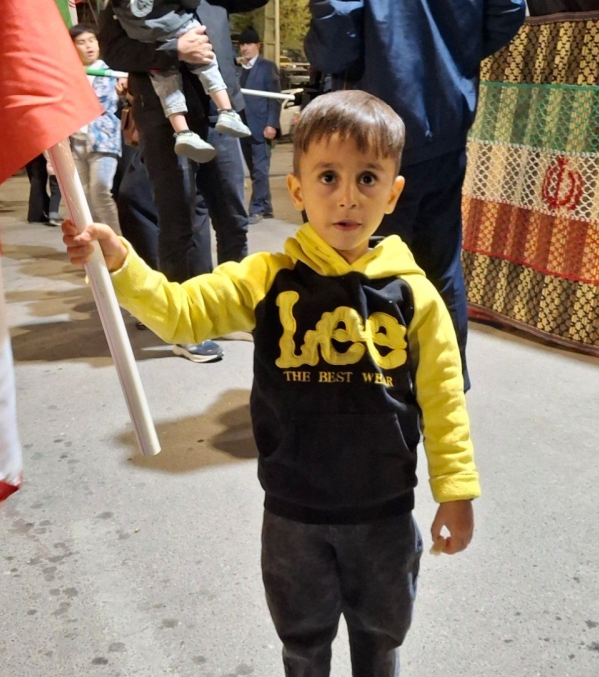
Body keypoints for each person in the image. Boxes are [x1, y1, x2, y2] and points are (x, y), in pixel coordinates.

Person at [62, 90, 480, 677]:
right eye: (328, 177)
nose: (347, 196)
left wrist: (457, 491)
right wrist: (123, 262)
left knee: (382, 625)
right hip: (294, 511)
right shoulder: (268, 278)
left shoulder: (415, 296)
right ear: (297, 188)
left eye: (367, 178)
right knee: (303, 633)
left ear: (393, 192)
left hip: (383, 509)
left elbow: (443, 400)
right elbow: (183, 311)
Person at [305, 0, 527, 391]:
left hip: (374, 136)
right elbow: (509, 10)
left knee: (363, 269)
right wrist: (454, 54)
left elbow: (335, 47)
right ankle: (445, 386)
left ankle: (374, 396)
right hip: (446, 125)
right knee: (440, 266)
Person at [98, 0, 267, 363]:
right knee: (179, 223)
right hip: (165, 120)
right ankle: (184, 327)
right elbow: (113, 51)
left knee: (234, 219)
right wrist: (174, 50)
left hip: (220, 114)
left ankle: (232, 309)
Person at [110, 0, 250, 162]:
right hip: (160, 123)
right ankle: (226, 111)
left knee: (166, 84)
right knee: (206, 63)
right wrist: (175, 51)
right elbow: (112, 52)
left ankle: (183, 132)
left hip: (150, 39)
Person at [69, 24, 123, 234]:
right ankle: (98, 244)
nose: (88, 46)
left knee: (100, 191)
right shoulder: (70, 74)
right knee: (84, 198)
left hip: (103, 141)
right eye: (81, 42)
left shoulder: (112, 72)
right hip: (76, 141)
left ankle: (117, 242)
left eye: (92, 40)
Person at [238, 26, 281, 223]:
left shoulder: (267, 67)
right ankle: (267, 207)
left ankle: (256, 209)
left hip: (262, 127)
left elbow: (275, 98)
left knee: (260, 170)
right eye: (242, 44)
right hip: (243, 128)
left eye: (248, 44)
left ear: (258, 46)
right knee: (255, 170)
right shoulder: (240, 71)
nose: (244, 48)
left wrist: (272, 124)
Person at [25, 153, 62, 226]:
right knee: (38, 179)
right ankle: (36, 214)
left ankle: (47, 210)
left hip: (28, 152)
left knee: (35, 179)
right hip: (38, 153)